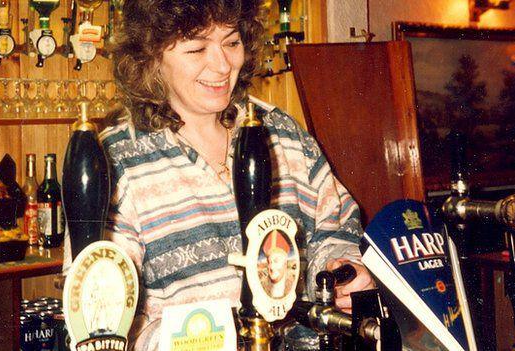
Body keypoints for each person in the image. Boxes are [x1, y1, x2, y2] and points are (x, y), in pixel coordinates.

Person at [100, 0, 374, 349]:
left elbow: (334, 227)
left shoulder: (281, 133)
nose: (222, 64)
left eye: (231, 43)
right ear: (151, 56)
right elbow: (104, 318)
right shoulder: (116, 159)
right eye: (197, 48)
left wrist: (342, 272)